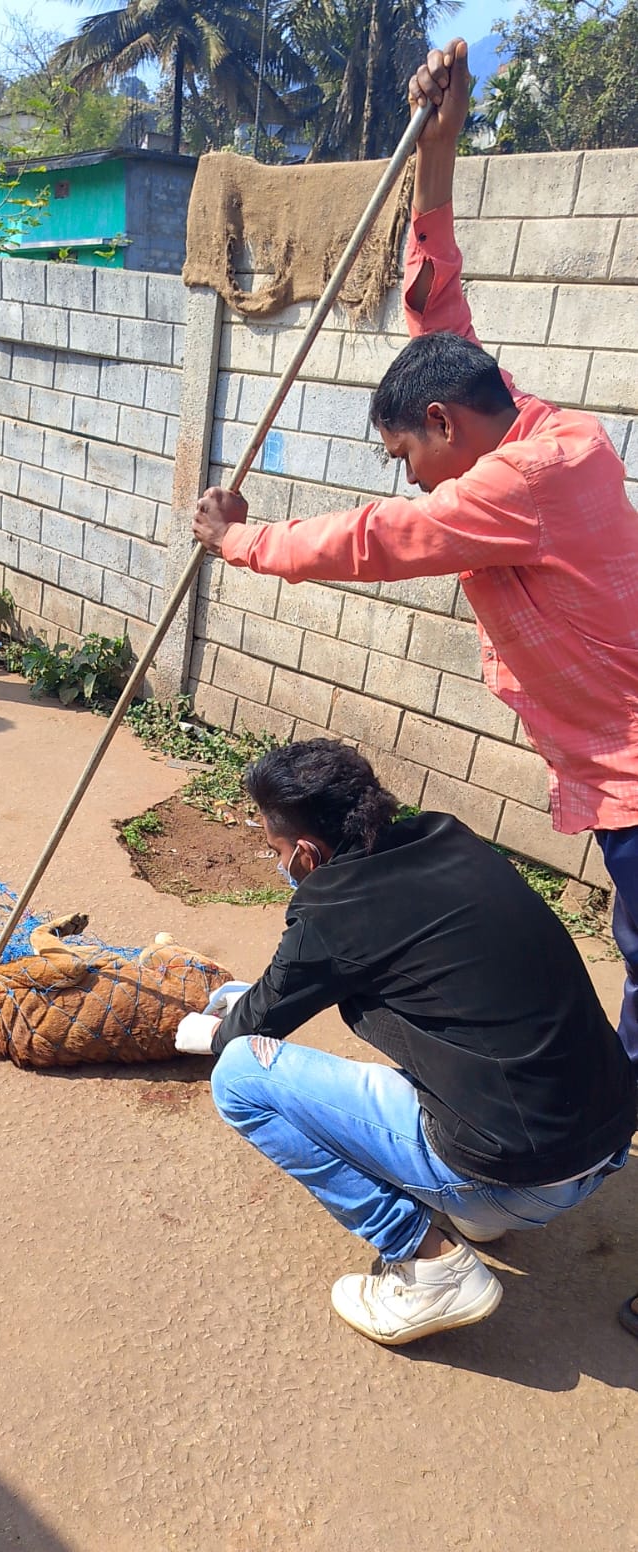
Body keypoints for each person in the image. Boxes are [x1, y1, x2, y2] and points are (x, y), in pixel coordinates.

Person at [192, 39, 638, 1335]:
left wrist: (240, 539)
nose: (410, 484)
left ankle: (505, 1201)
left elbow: (377, 544)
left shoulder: (516, 482)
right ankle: (592, 1138)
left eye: (407, 458)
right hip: (614, 787)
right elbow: (437, 316)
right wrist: (435, 142)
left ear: (445, 432)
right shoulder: (523, 422)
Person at [175, 739, 636, 1345]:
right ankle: (479, 1208)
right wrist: (254, 998)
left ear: (307, 853)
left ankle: (429, 1265)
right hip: (603, 1140)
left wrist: (214, 1033)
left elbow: (256, 1023)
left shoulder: (331, 909)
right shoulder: (449, 838)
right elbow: (284, 989)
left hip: (519, 1174)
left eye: (276, 849)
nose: (278, 862)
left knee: (239, 1076)